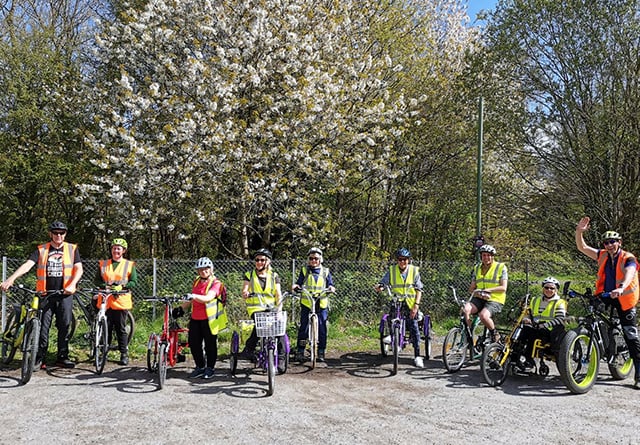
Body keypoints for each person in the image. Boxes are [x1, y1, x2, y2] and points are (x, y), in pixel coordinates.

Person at [0, 221, 83, 369]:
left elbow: (79, 269)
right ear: (50, 234)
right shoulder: (42, 249)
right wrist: (11, 279)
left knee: (64, 326)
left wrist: (72, 284)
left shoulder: (72, 249)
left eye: (61, 233)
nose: (59, 235)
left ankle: (62, 357)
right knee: (42, 328)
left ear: (65, 234)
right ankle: (39, 358)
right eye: (55, 232)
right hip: (45, 295)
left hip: (64, 294)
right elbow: (28, 265)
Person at [576, 216, 640, 389]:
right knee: (593, 314)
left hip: (624, 298)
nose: (609, 245)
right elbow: (582, 247)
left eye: (612, 241)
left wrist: (621, 287)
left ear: (619, 242)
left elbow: (629, 273)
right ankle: (604, 343)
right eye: (606, 242)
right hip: (607, 295)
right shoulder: (603, 255)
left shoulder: (628, 258)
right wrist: (579, 232)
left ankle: (639, 372)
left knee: (631, 335)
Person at [173, 257, 227, 379]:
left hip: (210, 319)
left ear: (211, 269)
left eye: (206, 268)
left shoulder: (216, 284)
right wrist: (181, 308)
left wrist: (193, 295)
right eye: (200, 269)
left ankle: (210, 368)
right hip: (195, 318)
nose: (203, 271)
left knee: (210, 345)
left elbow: (208, 298)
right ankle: (200, 367)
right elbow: (192, 299)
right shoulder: (197, 281)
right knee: (194, 343)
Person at [375, 247, 424, 368]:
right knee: (391, 319)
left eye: (405, 259)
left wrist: (416, 306)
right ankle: (394, 339)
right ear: (397, 260)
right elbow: (384, 282)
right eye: (400, 259)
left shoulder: (414, 271)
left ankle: (417, 356)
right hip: (397, 301)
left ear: (409, 260)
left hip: (410, 302)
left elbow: (419, 290)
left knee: (414, 327)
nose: (402, 262)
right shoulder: (392, 270)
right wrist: (380, 287)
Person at [94, 238, 138, 366]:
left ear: (123, 251)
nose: (116, 251)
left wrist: (122, 287)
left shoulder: (129, 265)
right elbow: (96, 280)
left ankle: (124, 353)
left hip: (120, 301)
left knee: (121, 329)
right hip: (106, 301)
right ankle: (104, 352)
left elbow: (134, 282)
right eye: (114, 248)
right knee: (105, 327)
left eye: (119, 248)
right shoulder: (103, 264)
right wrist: (105, 285)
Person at [292, 247, 336, 363]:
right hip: (307, 302)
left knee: (322, 327)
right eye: (311, 258)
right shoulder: (304, 270)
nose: (313, 261)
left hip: (321, 302)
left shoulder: (325, 271)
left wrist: (331, 288)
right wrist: (296, 286)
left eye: (316, 258)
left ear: (320, 259)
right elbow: (299, 282)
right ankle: (300, 350)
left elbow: (330, 284)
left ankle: (321, 351)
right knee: (304, 327)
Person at [240, 248, 284, 361]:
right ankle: (249, 349)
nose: (259, 262)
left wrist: (279, 309)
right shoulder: (249, 275)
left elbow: (278, 294)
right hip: (255, 308)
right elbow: (245, 289)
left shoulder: (274, 276)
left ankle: (281, 356)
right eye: (257, 260)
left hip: (271, 308)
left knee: (279, 329)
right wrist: (246, 293)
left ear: (268, 261)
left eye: (262, 260)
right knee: (260, 326)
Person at [518, 277, 567, 368]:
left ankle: (529, 361)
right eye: (546, 287)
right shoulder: (535, 300)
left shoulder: (559, 302)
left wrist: (544, 325)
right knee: (520, 332)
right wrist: (526, 318)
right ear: (543, 288)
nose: (549, 290)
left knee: (532, 334)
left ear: (556, 290)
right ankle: (515, 357)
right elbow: (528, 313)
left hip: (550, 330)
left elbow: (560, 319)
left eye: (552, 288)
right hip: (535, 326)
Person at [463, 244, 508, 343]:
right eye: (484, 255)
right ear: (481, 256)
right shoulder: (477, 268)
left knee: (483, 316)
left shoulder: (501, 267)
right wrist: (476, 293)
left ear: (493, 256)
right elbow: (472, 288)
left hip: (495, 299)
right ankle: (469, 333)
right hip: (480, 297)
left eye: (488, 255)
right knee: (465, 309)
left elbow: (503, 288)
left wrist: (488, 290)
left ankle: (494, 334)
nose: (486, 257)